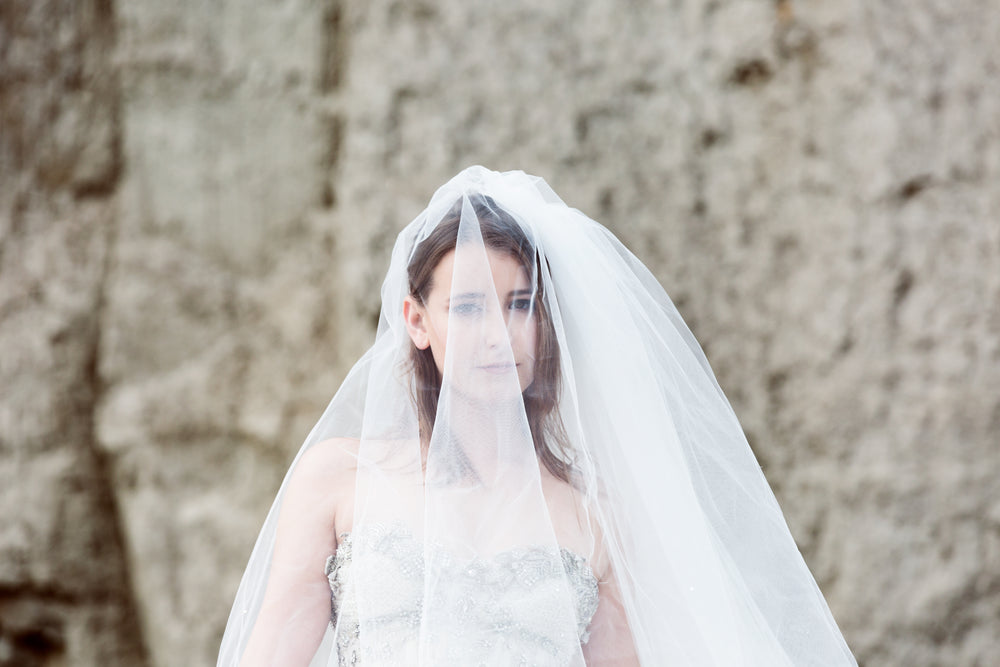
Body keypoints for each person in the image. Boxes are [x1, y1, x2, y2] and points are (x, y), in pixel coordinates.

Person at [217, 167, 857, 666]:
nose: (497, 334)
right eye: (467, 307)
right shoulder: (337, 480)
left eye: (519, 304)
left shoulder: (598, 516)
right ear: (417, 321)